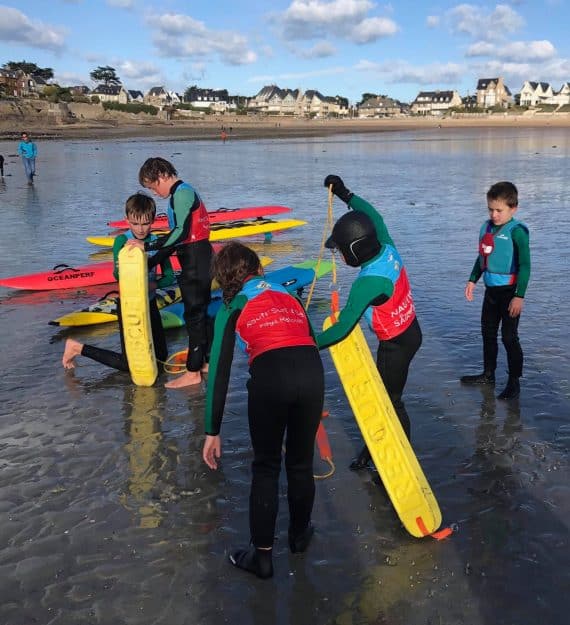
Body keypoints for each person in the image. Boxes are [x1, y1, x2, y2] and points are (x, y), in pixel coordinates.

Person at [202, 242, 324, 579]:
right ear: (258, 268)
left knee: (267, 468)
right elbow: (311, 340)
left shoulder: (233, 307)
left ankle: (263, 557)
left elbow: (219, 371)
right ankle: (299, 538)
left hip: (271, 379)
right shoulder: (291, 296)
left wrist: (212, 430)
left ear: (226, 280)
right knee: (300, 463)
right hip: (312, 375)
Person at [317, 175, 422, 470]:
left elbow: (342, 329)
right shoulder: (387, 245)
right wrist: (344, 192)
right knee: (384, 397)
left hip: (395, 346)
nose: (337, 254)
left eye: (339, 250)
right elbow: (373, 215)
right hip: (412, 330)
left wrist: (306, 343)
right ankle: (371, 450)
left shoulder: (367, 283)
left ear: (354, 251)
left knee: (390, 401)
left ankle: (402, 460)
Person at [62, 193, 174, 372]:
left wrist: (153, 285)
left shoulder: (156, 243)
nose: (140, 229)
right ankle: (76, 347)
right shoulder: (122, 241)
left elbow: (170, 277)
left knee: (161, 357)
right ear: (127, 220)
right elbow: (117, 275)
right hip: (129, 306)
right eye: (135, 223)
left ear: (153, 220)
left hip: (150, 303)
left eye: (145, 223)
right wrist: (129, 257)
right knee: (129, 364)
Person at [137, 157, 213, 388]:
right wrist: (152, 263)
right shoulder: (180, 194)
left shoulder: (182, 193)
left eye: (152, 186)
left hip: (196, 260)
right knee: (199, 312)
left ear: (161, 175)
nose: (155, 192)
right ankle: (203, 362)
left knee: (194, 315)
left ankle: (192, 372)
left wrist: (148, 246)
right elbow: (176, 241)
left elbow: (180, 234)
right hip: (195, 257)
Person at [460, 181, 530, 400]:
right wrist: (473, 280)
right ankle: (488, 374)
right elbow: (482, 256)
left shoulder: (517, 232)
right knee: (488, 334)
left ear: (513, 208)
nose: (494, 215)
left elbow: (526, 265)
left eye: (499, 210)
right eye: (491, 209)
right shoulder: (486, 228)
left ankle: (514, 382)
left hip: (510, 293)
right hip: (491, 292)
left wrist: (519, 296)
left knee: (509, 338)